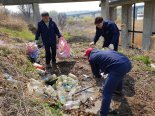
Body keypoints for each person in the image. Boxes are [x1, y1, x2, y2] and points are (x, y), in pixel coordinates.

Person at [84, 48, 132, 116]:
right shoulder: (105, 51)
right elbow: (108, 62)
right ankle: (118, 91)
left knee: (106, 92)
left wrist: (98, 76)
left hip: (118, 66)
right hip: (128, 64)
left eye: (87, 55)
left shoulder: (92, 57)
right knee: (118, 76)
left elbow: (95, 72)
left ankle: (103, 113)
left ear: (89, 54)